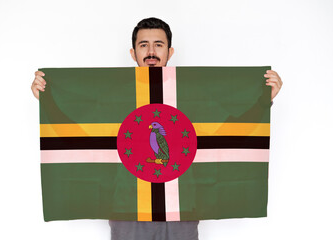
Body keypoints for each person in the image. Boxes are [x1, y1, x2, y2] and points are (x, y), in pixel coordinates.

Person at [31, 17, 283, 240]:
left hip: (181, 206)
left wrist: (263, 100)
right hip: (127, 208)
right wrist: (48, 101)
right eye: (144, 45)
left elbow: (230, 129)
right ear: (133, 53)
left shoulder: (191, 94)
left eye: (158, 44)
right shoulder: (113, 96)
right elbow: (78, 131)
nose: (151, 51)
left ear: (170, 51)